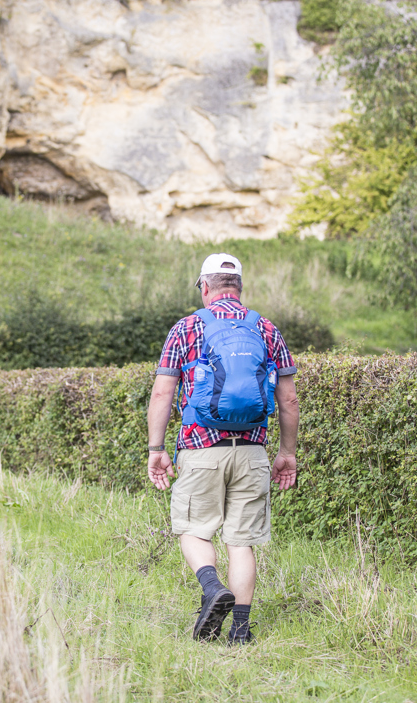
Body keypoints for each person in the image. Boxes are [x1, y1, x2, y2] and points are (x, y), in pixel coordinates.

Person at [146, 253, 299, 645]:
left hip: (200, 447)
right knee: (241, 541)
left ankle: (212, 588)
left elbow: (164, 390)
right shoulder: (266, 328)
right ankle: (241, 632)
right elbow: (289, 401)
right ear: (240, 289)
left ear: (205, 287)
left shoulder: (187, 327)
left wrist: (156, 448)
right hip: (251, 450)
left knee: (194, 530)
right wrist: (287, 453)